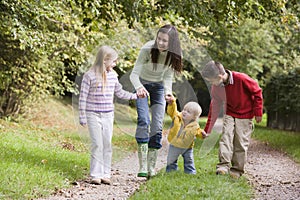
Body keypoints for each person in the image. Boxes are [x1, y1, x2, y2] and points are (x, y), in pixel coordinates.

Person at [129, 24, 183, 178]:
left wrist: (168, 93)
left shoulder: (174, 54)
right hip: (142, 85)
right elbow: (134, 74)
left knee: (157, 125)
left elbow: (167, 77)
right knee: (144, 120)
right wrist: (139, 87)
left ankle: (152, 167)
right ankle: (143, 165)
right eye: (159, 39)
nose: (160, 43)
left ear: (171, 42)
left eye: (165, 41)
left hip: (159, 88)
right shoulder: (147, 49)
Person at [79, 46, 137, 185]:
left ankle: (106, 174)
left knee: (107, 144)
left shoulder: (113, 75)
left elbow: (120, 92)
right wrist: (82, 116)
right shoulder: (89, 75)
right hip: (93, 114)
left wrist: (135, 96)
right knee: (97, 144)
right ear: (105, 60)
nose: (115, 64)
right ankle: (95, 174)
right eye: (113, 61)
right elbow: (83, 97)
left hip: (108, 115)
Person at [201, 60, 263, 179]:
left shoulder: (241, 78)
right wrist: (207, 129)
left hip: (246, 114)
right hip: (229, 113)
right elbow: (214, 108)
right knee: (226, 138)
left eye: (210, 80)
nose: (210, 83)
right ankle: (223, 166)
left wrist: (258, 111)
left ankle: (237, 170)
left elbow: (257, 92)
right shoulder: (216, 88)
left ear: (219, 76)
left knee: (240, 142)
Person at [165, 95, 207, 174]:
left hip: (187, 147)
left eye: (188, 112)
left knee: (189, 160)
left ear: (194, 117)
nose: (184, 112)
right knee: (171, 160)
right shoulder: (177, 117)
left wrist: (202, 134)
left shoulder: (195, 125)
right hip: (175, 144)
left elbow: (198, 132)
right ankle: (171, 172)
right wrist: (172, 103)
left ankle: (190, 172)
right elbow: (172, 111)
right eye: (184, 109)